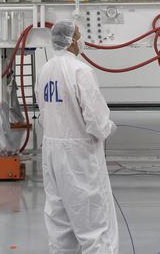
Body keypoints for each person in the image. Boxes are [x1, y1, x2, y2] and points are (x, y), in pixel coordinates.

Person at [37, 20, 117, 254]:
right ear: (72, 39)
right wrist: (108, 127)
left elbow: (43, 111)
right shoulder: (80, 70)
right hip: (79, 156)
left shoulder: (45, 69)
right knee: (93, 222)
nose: (81, 39)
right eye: (79, 35)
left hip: (51, 151)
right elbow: (96, 120)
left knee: (59, 220)